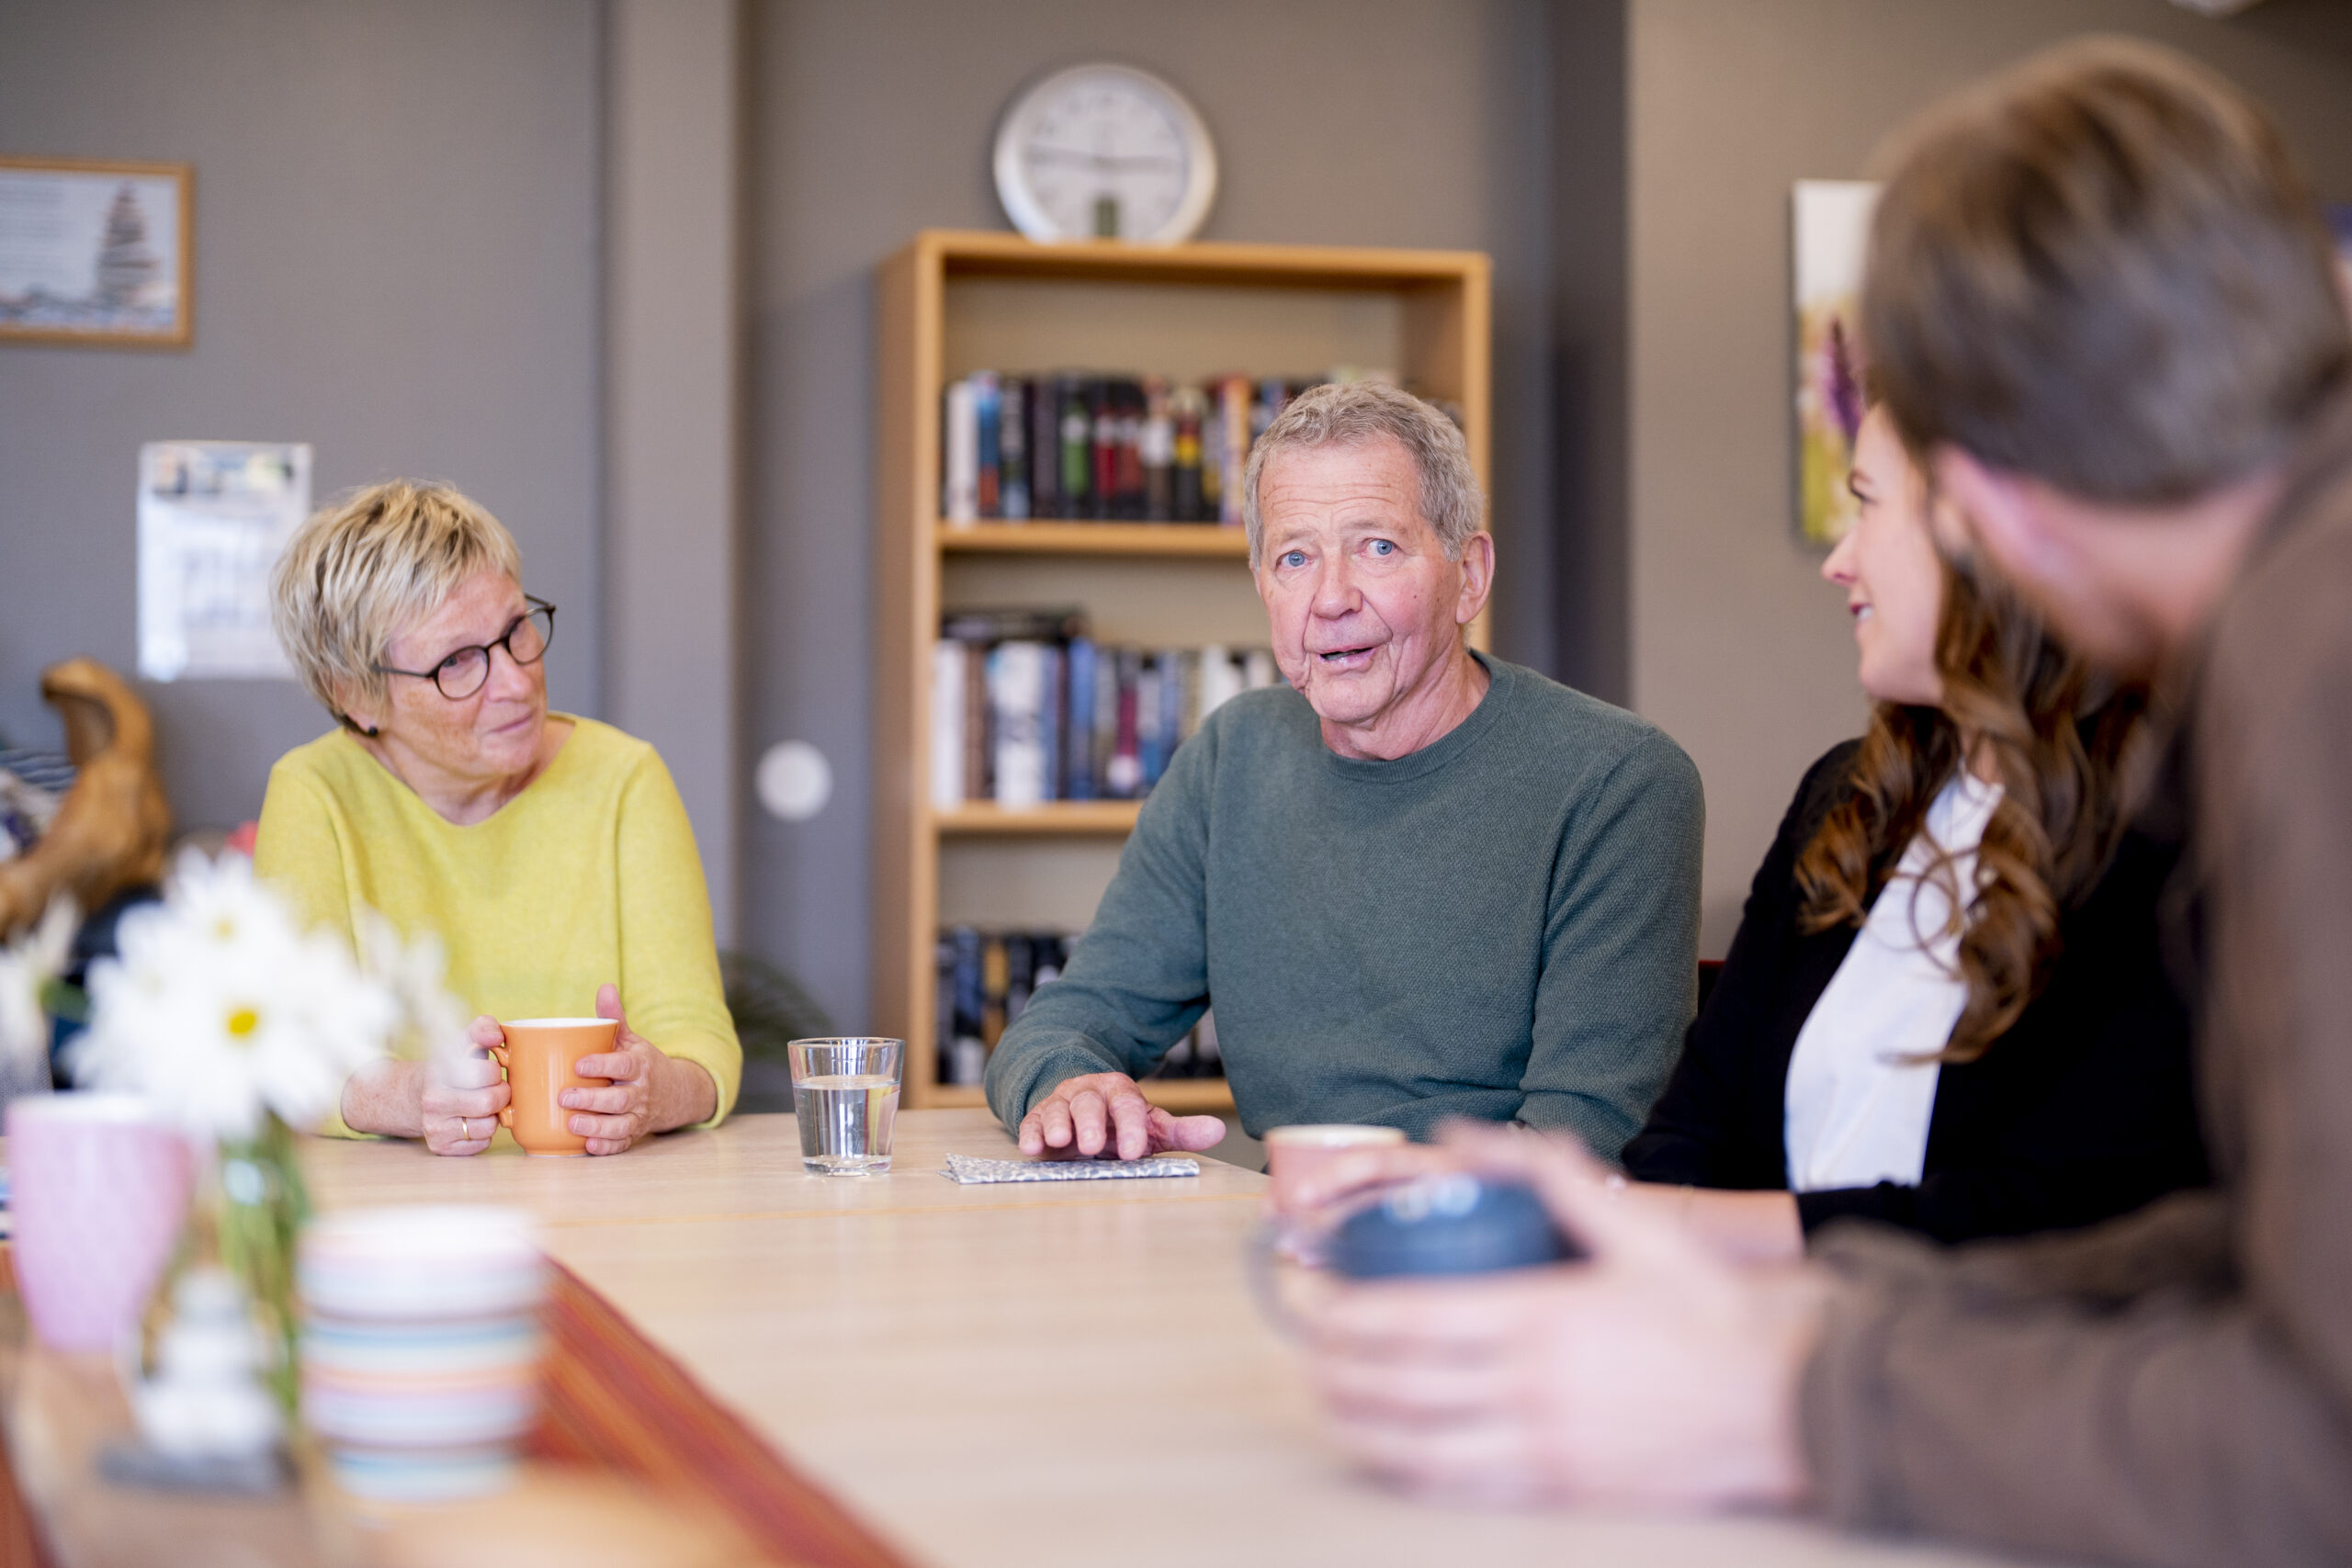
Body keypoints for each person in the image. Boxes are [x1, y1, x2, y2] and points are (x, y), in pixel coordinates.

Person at [1298, 39, 2352, 1566]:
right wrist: (1743, 1291)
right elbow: (2238, 1251)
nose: (1848, 554)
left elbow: (2314, 1446)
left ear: (1992, 482)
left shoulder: (2304, 655)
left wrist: (1782, 1400)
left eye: (1887, 489)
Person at [987, 380, 1703, 1162]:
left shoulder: (1620, 782)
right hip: (1283, 1235)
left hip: (1499, 1257)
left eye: (1377, 547)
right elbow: (1070, 1020)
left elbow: (1586, 1142)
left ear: (1469, 574)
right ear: (1263, 585)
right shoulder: (1232, 757)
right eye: (1295, 556)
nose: (1331, 598)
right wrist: (1074, 1086)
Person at [1617, 401, 2208, 1258]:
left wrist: (1677, 1228)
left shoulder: (2161, 833)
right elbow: (1688, 1129)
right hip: (1762, 1355)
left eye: (1865, 503)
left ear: (1984, 532)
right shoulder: (1847, 797)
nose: (1837, 562)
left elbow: (2050, 1214)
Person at [254, 480, 740, 1156]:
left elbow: (697, 1035)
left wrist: (661, 1089)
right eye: (457, 661)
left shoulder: (624, 776)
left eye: (516, 631)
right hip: (401, 1208)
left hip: (605, 1197)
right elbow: (289, 1053)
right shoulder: (314, 792)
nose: (515, 682)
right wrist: (407, 1095)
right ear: (356, 694)